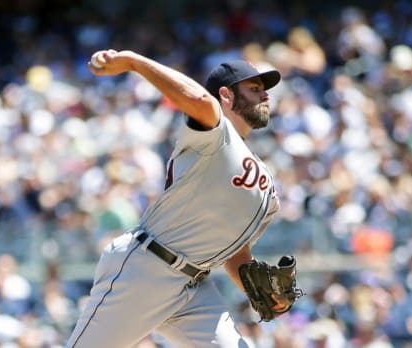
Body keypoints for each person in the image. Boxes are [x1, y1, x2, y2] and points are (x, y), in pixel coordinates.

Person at [67, 49, 286, 348]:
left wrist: (259, 293)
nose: (265, 96)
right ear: (226, 96)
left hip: (193, 287)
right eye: (255, 88)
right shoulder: (214, 135)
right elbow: (200, 101)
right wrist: (133, 61)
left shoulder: (266, 184)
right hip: (146, 268)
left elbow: (236, 253)